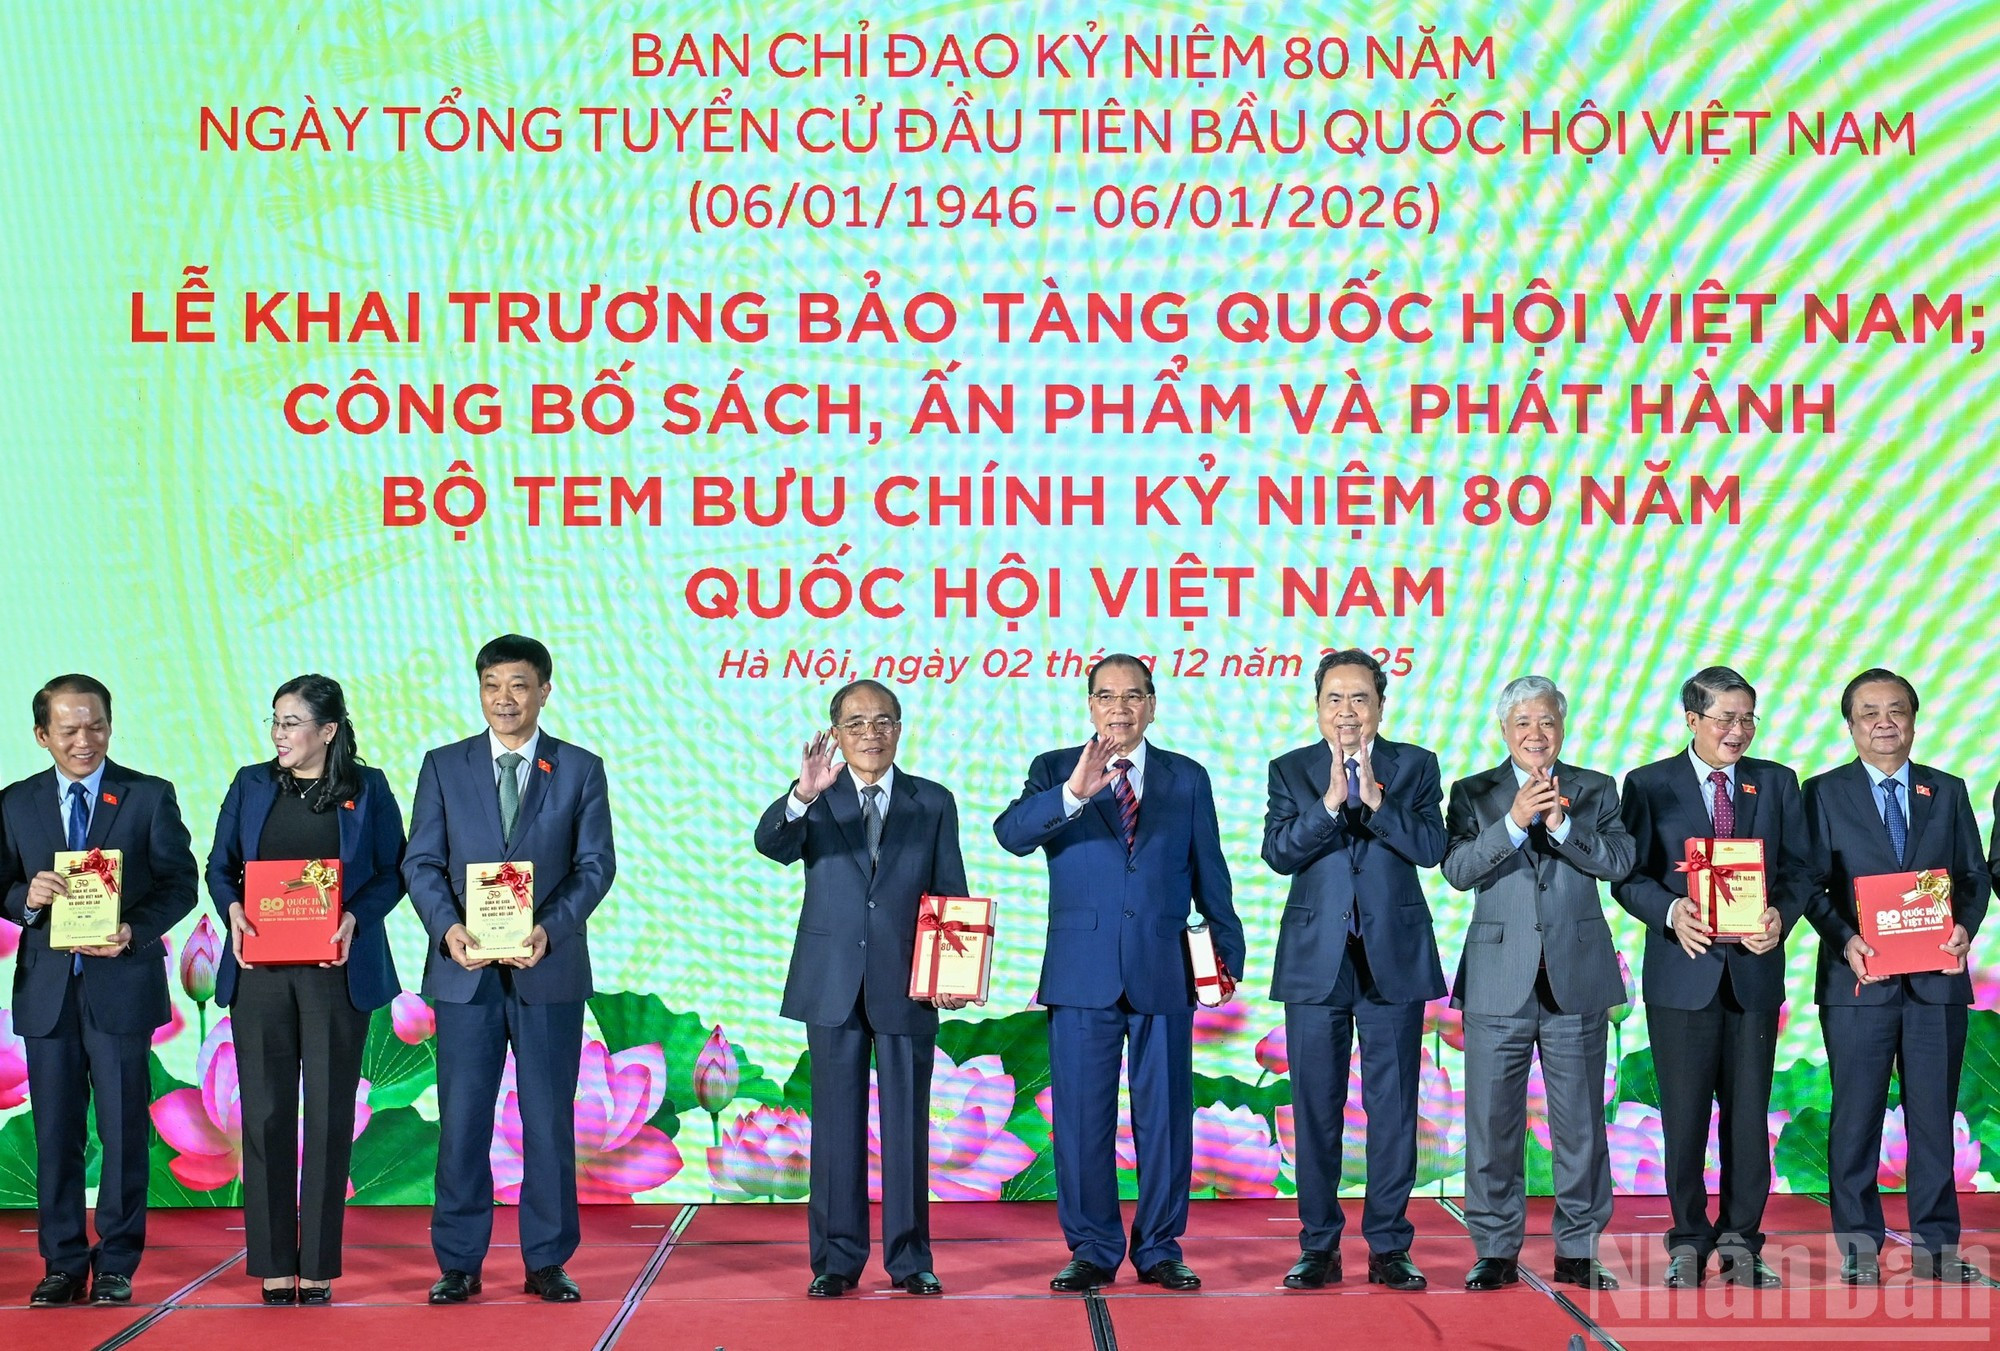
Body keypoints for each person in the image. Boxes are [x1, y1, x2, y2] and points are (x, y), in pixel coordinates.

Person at [994, 653, 1243, 1294]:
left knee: (1165, 1118)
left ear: (1152, 705)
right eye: (1106, 697)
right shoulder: (1055, 771)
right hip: (1081, 974)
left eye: (1133, 696)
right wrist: (1074, 794)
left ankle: (1160, 1247)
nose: (1120, 709)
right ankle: (1093, 1248)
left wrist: (1227, 955)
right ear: (1090, 706)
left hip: (1166, 971)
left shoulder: (1186, 777)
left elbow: (1211, 873)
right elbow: (1012, 834)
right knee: (1080, 1117)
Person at [404, 635, 616, 1305]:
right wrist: (449, 928)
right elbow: (421, 863)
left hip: (546, 971)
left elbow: (595, 866)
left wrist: (548, 930)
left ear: (544, 690)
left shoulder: (580, 769)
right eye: (493, 683)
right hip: (465, 972)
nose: (505, 697)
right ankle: (459, 1262)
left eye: (519, 684)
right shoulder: (444, 765)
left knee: (548, 1117)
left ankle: (547, 1260)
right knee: (462, 1116)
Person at [753, 680, 969, 1298]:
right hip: (831, 982)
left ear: (899, 729)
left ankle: (910, 1260)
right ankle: (836, 1261)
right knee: (835, 1128)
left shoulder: (933, 801)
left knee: (907, 1126)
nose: (870, 733)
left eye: (882, 722)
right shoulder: (815, 796)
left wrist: (949, 974)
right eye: (855, 724)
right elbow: (771, 845)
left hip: (908, 983)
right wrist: (800, 794)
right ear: (835, 733)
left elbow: (949, 890)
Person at [206, 675, 407, 1304]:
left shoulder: (367, 789)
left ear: (328, 730)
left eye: (293, 723)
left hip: (335, 974)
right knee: (263, 1116)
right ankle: (271, 1261)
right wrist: (232, 908)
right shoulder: (250, 783)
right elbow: (219, 868)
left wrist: (352, 916)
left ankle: (318, 1262)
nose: (279, 734)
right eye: (274, 721)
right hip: (260, 973)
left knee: (327, 1116)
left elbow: (394, 871)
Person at [1612, 666, 1813, 1290]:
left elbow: (1801, 868)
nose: (1738, 730)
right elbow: (1627, 875)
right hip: (1684, 972)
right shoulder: (1648, 784)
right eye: (1724, 717)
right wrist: (1671, 913)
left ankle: (1743, 1242)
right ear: (1692, 719)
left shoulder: (1777, 783)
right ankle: (1688, 1242)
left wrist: (1782, 911)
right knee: (1685, 1116)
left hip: (1754, 972)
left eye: (1747, 717)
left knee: (1750, 1117)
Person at [0, 675, 197, 1307]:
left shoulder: (146, 796)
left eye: (96, 726)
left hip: (121, 984)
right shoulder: (15, 802)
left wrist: (134, 931)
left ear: (110, 725)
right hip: (48, 993)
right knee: (55, 1133)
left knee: (122, 1130)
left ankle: (116, 1260)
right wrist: (22, 899)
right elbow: (0, 884)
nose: (85, 740)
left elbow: (180, 883)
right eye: (69, 729)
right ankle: (61, 1262)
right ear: (42, 736)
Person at [1441, 675, 1634, 1293]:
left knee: (1580, 1126)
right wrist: (1516, 823)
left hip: (1575, 977)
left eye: (1546, 721)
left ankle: (1578, 1248)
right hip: (1499, 979)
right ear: (1504, 730)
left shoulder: (1596, 788)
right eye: (1523, 723)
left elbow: (1620, 862)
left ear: (1562, 728)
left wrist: (1565, 827)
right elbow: (1458, 870)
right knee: (1491, 1123)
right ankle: (1494, 1248)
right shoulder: (1472, 792)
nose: (1535, 734)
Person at [1262, 648, 1445, 1292]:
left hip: (1392, 957)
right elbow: (1279, 853)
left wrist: (1375, 799)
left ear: (1380, 707)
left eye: (1360, 698)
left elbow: (1430, 848)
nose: (1347, 711)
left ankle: (1390, 1246)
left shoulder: (1415, 766)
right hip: (1317, 964)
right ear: (1317, 708)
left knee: (1394, 1108)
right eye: (1335, 699)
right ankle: (1318, 1245)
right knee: (1314, 1107)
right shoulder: (1290, 770)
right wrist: (1331, 804)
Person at [1802, 669, 1987, 1284]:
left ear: (1914, 719)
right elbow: (1809, 884)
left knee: (1933, 1115)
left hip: (1936, 982)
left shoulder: (1949, 790)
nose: (1885, 722)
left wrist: (1965, 926)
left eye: (1897, 711)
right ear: (1850, 724)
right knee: (1856, 1117)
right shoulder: (1822, 793)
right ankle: (1859, 1249)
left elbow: (1972, 877)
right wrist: (1846, 938)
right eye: (1870, 712)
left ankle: (1937, 1246)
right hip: (1858, 982)